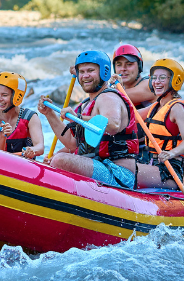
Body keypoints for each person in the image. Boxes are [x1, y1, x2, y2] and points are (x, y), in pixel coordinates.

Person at [38, 50, 138, 188]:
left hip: (119, 174)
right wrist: (49, 114)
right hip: (96, 165)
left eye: (90, 70)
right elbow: (72, 143)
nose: (85, 76)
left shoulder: (108, 97)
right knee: (55, 159)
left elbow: (113, 124)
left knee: (60, 160)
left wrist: (78, 118)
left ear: (104, 72)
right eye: (81, 72)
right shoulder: (84, 105)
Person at [134, 59, 184, 189]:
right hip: (153, 164)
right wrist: (116, 90)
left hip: (170, 171)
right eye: (154, 78)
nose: (156, 82)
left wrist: (171, 153)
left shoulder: (177, 107)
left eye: (162, 78)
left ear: (175, 81)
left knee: (128, 171)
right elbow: (131, 116)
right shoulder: (156, 106)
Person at [113, 43, 156, 164]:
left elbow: (121, 96)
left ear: (139, 67)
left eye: (129, 64)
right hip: (124, 149)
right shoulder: (114, 89)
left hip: (149, 153)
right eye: (119, 65)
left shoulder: (149, 85)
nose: (123, 69)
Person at [0, 71, 45, 158]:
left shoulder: (31, 118)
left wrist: (32, 150)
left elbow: (40, 147)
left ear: (17, 96)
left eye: (4, 95)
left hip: (22, 165)